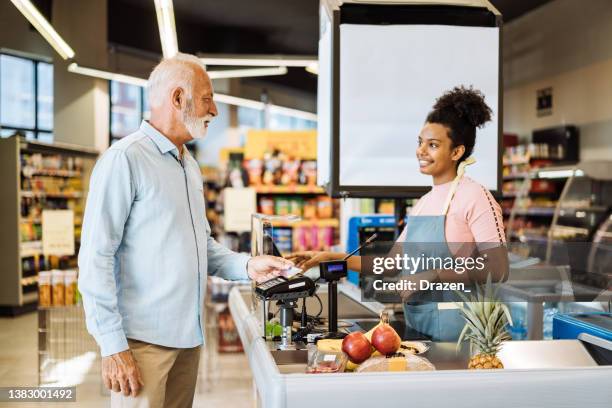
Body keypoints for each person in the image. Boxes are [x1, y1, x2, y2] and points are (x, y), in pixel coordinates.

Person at [78, 53, 293, 407]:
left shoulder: (187, 163)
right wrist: (112, 345)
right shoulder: (125, 159)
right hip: (140, 344)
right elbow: (95, 257)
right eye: (208, 98)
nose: (215, 111)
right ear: (178, 98)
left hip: (187, 341)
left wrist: (247, 265)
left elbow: (200, 245)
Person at [289, 86, 508, 341]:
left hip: (462, 337)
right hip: (421, 328)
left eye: (433, 145)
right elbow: (392, 264)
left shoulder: (476, 197)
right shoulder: (425, 202)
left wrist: (432, 275)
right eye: (420, 143)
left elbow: (498, 267)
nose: (421, 151)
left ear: (457, 152)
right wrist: (328, 258)